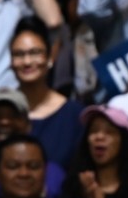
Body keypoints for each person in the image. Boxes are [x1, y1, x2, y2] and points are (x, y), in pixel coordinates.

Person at [9, 17, 82, 172]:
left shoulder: (74, 116)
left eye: (35, 53)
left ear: (50, 57)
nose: (27, 61)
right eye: (19, 54)